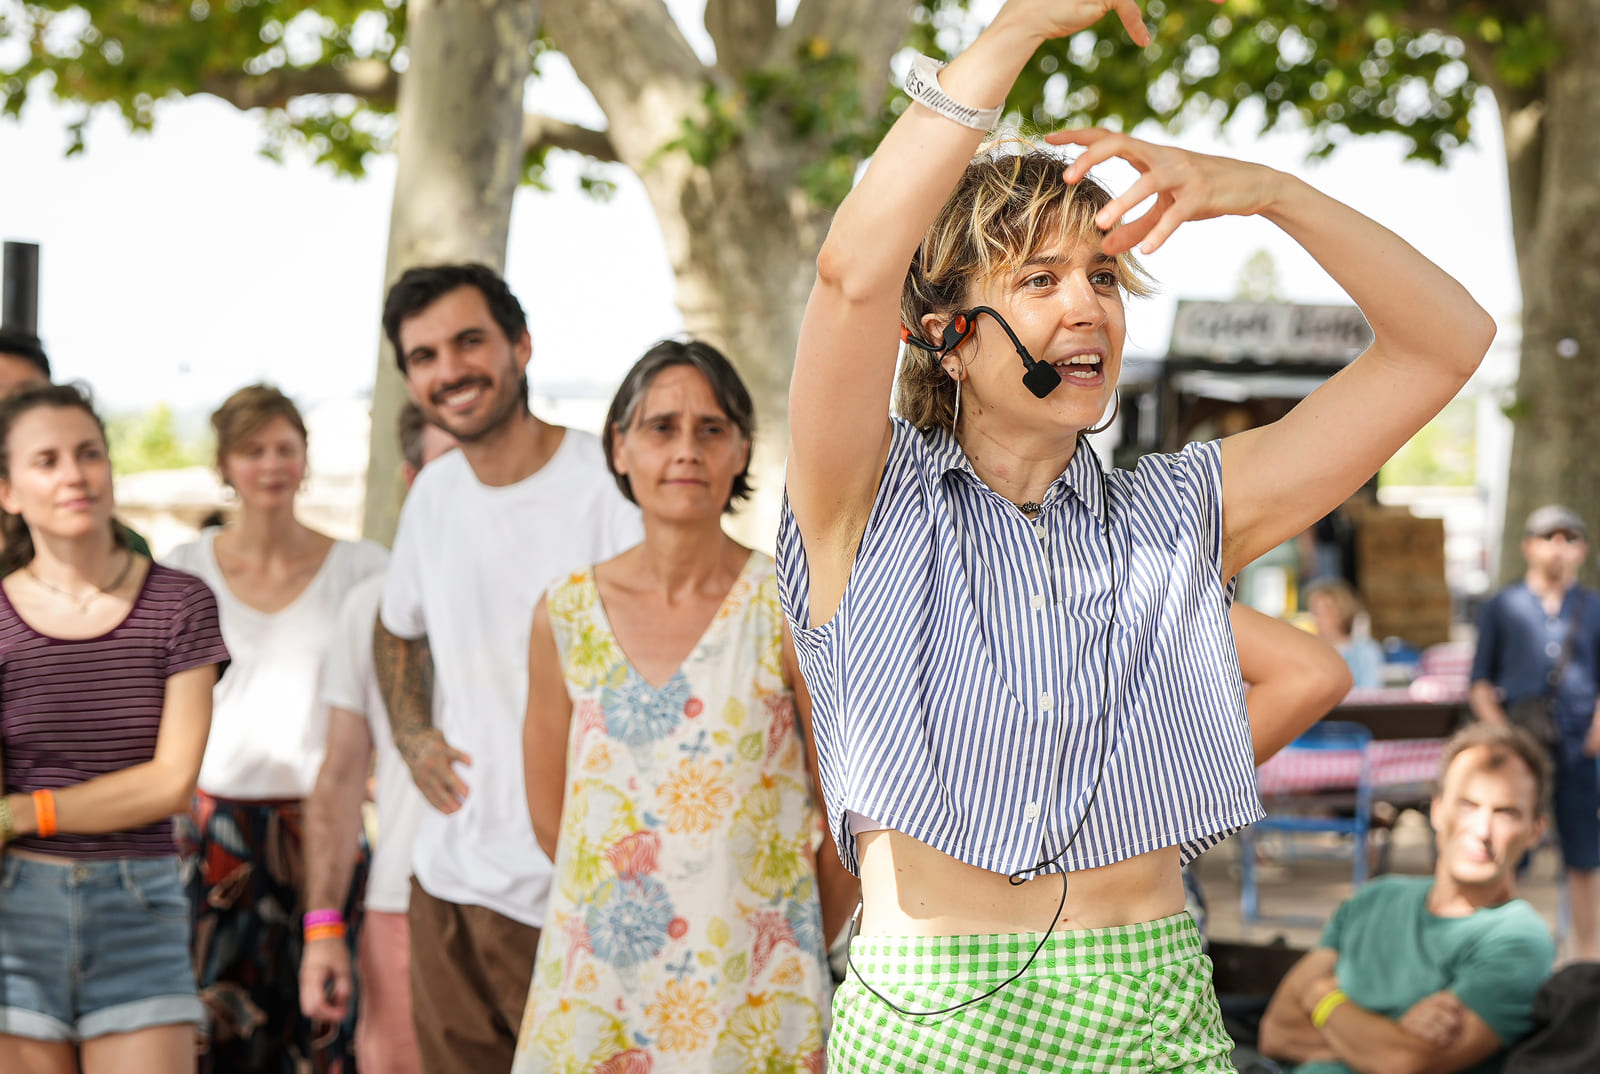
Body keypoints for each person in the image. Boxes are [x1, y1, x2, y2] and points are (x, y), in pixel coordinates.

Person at [778, 0, 1496, 1067]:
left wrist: (1272, 193)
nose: (1089, 307)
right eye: (1039, 279)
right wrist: (1012, 34)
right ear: (945, 337)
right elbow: (850, 273)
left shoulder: (1178, 514)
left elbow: (1447, 343)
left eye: (1104, 276)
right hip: (934, 1022)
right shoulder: (862, 502)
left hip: (1155, 1003)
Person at [512, 340, 856, 1073]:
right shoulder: (564, 613)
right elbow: (552, 818)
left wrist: (783, 935)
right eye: (662, 427)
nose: (686, 450)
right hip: (597, 988)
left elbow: (848, 817)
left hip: (751, 995)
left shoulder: (787, 608)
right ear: (620, 446)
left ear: (741, 449)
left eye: (711, 429)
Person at [374, 263, 642, 1072]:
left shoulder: (609, 486)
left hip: (577, 889)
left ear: (521, 346)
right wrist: (412, 732)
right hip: (447, 880)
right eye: (424, 356)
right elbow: (396, 628)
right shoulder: (435, 493)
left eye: (469, 342)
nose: (449, 370)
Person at [0, 383, 230, 1074]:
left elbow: (171, 783)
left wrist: (26, 811)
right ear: (8, 491)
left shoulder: (181, 603)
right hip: (15, 908)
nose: (74, 474)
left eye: (89, 453)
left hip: (140, 904)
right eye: (46, 460)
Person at [166, 384, 389, 1074]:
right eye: (252, 450)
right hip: (211, 836)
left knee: (324, 1031)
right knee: (212, 1032)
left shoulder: (363, 569)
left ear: (306, 458)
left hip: (324, 832)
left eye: (285, 448)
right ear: (224, 464)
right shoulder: (182, 571)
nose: (271, 464)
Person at [299, 405, 457, 1074]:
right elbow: (339, 778)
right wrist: (323, 928)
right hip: (403, 902)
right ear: (413, 480)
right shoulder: (373, 603)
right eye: (449, 467)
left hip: (539, 904)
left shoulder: (566, 595)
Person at [1258, 723, 1557, 1074]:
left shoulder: (1519, 938)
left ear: (1536, 830)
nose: (1482, 830)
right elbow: (1276, 1034)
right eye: (1467, 805)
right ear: (1437, 809)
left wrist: (1321, 997)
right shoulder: (1374, 898)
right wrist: (1390, 1036)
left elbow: (1406, 1061)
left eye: (1505, 812)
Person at [1469, 504, 1600, 960]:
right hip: (1520, 746)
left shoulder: (1593, 607)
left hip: (1580, 746)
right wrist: (1504, 737)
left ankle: (1587, 958)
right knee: (1508, 848)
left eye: (1569, 538)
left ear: (1583, 549)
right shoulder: (1503, 605)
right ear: (1528, 546)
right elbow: (1480, 682)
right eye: (1548, 537)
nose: (1558, 547)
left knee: (1585, 855)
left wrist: (1596, 732)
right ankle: (1505, 951)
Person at [1305, 579, 1385, 689]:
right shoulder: (1310, 652)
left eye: (1319, 613)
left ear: (1340, 613)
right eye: (1313, 612)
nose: (1314, 620)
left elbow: (1370, 692)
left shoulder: (1365, 652)